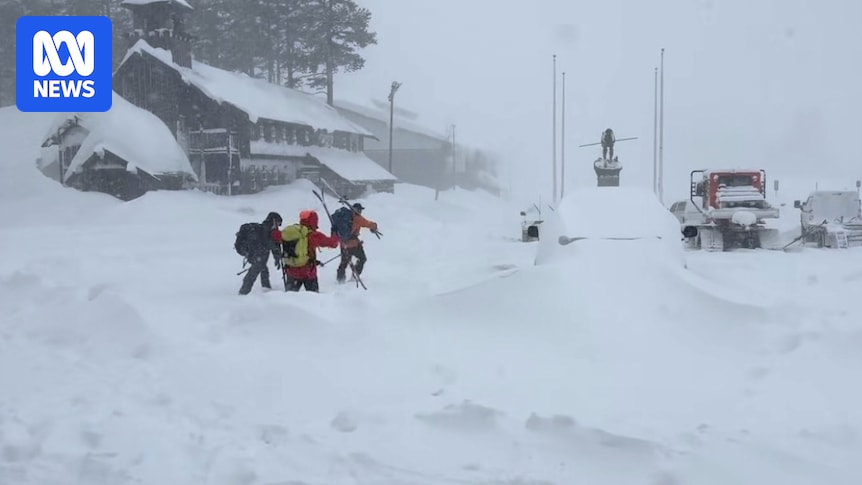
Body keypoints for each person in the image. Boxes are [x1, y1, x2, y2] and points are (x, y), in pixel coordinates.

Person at [277, 209, 340, 292]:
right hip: (308, 272)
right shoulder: (313, 235)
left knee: (290, 298)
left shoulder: (292, 233)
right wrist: (335, 233)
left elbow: (277, 238)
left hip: (291, 271)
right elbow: (333, 243)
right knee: (313, 299)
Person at [236, 211, 283, 295]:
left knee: (263, 269)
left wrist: (277, 256)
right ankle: (243, 293)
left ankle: (265, 289)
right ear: (274, 220)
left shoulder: (267, 228)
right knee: (254, 272)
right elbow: (267, 243)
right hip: (257, 254)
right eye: (278, 223)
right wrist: (275, 244)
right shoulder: (266, 228)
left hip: (258, 254)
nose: (278, 226)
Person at [336, 203, 379, 284]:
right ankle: (355, 276)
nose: (360, 211)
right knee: (362, 258)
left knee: (344, 262)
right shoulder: (357, 218)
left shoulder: (345, 217)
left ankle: (340, 280)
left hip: (343, 243)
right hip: (354, 244)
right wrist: (375, 226)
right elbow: (368, 223)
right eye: (360, 210)